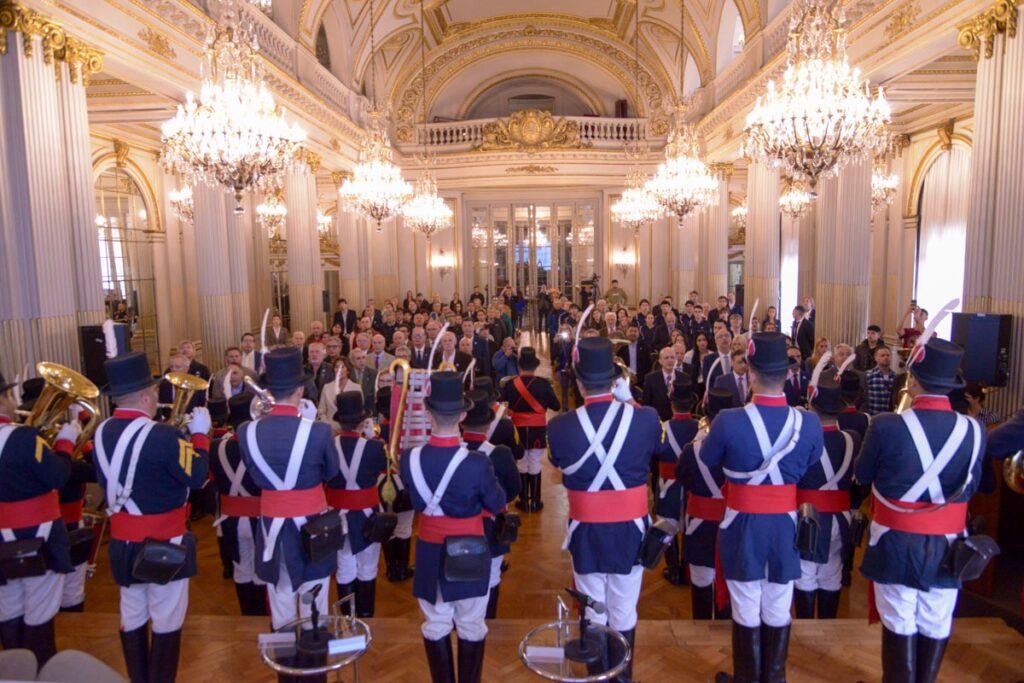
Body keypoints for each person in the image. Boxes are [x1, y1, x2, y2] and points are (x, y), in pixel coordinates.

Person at [855, 337, 985, 683]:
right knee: (936, 619)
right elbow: (971, 487)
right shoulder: (975, 429)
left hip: (896, 541)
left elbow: (862, 475)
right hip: (948, 545)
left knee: (899, 618)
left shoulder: (884, 425)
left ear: (912, 380)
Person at [701, 333, 823, 683]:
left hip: (742, 524)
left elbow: (709, 459)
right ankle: (775, 678)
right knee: (778, 604)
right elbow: (811, 462)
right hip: (786, 525)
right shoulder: (809, 422)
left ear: (751, 374)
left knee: (746, 604)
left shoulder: (727, 420)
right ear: (787, 375)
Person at [548, 337, 662, 683]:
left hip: (587, 533)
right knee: (625, 610)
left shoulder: (560, 427)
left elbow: (558, 462)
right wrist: (631, 403)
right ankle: (622, 678)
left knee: (594, 610)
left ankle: (597, 677)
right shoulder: (645, 419)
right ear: (616, 381)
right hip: (631, 530)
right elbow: (653, 443)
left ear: (579, 382)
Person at [93, 352, 211, 683]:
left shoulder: (100, 432)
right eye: (155, 390)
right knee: (166, 619)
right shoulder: (164, 435)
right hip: (165, 542)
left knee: (131, 616)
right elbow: (198, 475)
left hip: (122, 543)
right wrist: (200, 436)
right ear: (145, 395)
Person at [399, 372, 506, 683]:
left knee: (435, 623)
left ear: (428, 412)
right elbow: (496, 502)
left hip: (429, 550)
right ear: (462, 415)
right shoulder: (477, 463)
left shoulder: (409, 459)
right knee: (472, 623)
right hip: (470, 549)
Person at [237, 348, 341, 640]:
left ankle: (286, 669)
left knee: (280, 599)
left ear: (268, 391)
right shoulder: (319, 432)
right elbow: (331, 473)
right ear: (300, 390)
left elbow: (252, 473)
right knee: (315, 602)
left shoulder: (246, 431)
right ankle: (314, 666)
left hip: (271, 526)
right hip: (313, 526)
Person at [0, 373, 76, 665]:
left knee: (8, 607)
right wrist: (66, 445)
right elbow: (57, 476)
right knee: (39, 611)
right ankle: (40, 670)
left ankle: (15, 671)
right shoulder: (23, 437)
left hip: (2, 538)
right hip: (38, 534)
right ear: (4, 401)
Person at [794, 374, 861, 619]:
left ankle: (805, 630)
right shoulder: (852, 438)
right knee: (832, 573)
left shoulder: (801, 441)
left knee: (805, 573)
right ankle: (827, 628)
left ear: (812, 406)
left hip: (807, 517)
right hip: (840, 518)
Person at [326, 391, 388, 618]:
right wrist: (374, 439)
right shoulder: (373, 447)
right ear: (363, 421)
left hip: (336, 516)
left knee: (344, 567)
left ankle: (347, 620)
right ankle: (365, 617)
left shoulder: (328, 445)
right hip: (368, 514)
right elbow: (387, 469)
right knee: (368, 567)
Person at [460, 391, 521, 619]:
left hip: (455, 526)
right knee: (492, 576)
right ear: (488, 425)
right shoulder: (501, 454)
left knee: (460, 576)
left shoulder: (450, 453)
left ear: (462, 422)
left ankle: (464, 623)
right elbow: (514, 489)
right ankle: (487, 623)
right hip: (491, 527)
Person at [677, 387, 734, 620]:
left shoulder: (692, 450)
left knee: (701, 580)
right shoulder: (741, 448)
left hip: (699, 525)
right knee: (729, 578)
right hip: (732, 523)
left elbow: (682, 476)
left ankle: (700, 629)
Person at [210, 395, 267, 616]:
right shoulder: (262, 446)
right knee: (260, 569)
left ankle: (247, 615)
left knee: (241, 568)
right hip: (259, 519)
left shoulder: (215, 446)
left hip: (230, 521)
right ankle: (261, 616)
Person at [500, 347, 560, 512]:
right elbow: (556, 405)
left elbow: (502, 403)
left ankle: (523, 500)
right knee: (535, 461)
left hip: (517, 430)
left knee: (521, 462)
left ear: (519, 367)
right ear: (535, 367)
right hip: (537, 430)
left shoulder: (510, 384)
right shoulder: (543, 384)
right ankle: (536, 501)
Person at [655, 376, 700, 586]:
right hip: (693, 486)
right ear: (691, 403)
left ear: (671, 404)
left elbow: (655, 453)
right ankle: (687, 568)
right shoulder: (700, 428)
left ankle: (673, 570)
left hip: (667, 485)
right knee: (691, 526)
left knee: (667, 527)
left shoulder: (662, 428)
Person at [642, 346, 680, 421]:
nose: (670, 360)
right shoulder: (650, 379)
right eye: (666, 358)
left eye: (672, 357)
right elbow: (646, 404)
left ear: (676, 359)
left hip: (678, 422)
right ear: (660, 361)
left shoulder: (684, 378)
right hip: (658, 421)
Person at [865, 347, 896, 415]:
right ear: (875, 358)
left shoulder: (895, 376)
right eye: (882, 355)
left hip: (888, 416)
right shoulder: (868, 375)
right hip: (871, 415)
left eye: (888, 355)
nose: (886, 357)